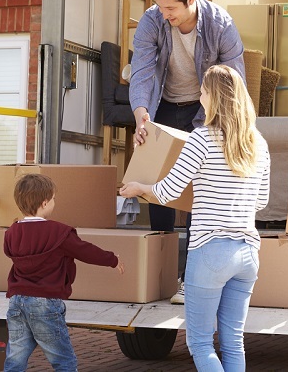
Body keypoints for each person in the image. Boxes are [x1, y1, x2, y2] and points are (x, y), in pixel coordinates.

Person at [121, 64, 270, 371]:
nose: (199, 95)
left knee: (200, 342)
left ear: (212, 98)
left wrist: (139, 187)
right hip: (247, 253)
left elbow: (168, 191)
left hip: (210, 251)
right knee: (233, 340)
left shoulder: (200, 140)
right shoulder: (259, 144)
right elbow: (262, 201)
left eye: (202, 90)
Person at [129, 0, 246, 304]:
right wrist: (141, 114)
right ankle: (161, 275)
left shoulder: (220, 24)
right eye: (159, 6)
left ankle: (190, 280)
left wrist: (219, 128)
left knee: (200, 190)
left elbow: (233, 81)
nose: (163, 14)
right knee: (158, 185)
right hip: (162, 106)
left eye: (171, 9)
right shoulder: (153, 20)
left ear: (191, 0)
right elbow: (142, 71)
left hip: (205, 110)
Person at [2, 174, 125, 372]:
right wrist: (112, 259)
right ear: (44, 203)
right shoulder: (59, 233)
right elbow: (86, 251)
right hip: (45, 302)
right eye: (53, 199)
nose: (54, 202)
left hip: (17, 300)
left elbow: (9, 252)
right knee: (63, 361)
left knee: (15, 358)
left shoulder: (11, 232)